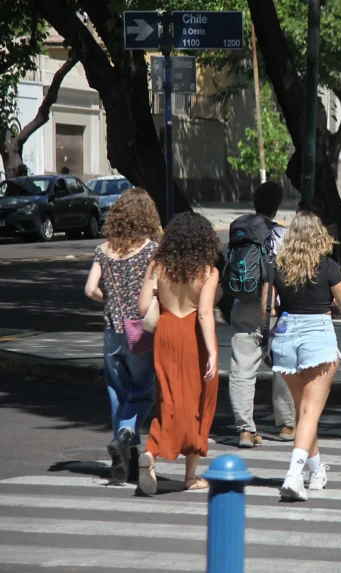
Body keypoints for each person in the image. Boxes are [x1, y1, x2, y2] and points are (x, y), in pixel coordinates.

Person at [262, 210, 341, 501]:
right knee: (309, 413)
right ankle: (293, 475)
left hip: (285, 335)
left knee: (304, 412)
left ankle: (316, 472)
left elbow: (270, 308)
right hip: (318, 335)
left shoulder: (278, 265)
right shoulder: (328, 266)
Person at [136, 212, 222, 494]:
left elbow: (142, 307)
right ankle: (190, 476)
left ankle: (151, 452)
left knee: (168, 398)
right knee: (198, 402)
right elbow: (205, 314)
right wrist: (210, 352)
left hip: (166, 331)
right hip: (193, 337)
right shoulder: (208, 271)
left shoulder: (157, 265)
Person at [84, 188, 160, 483]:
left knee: (118, 391)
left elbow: (90, 289)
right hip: (139, 330)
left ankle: (122, 462)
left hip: (112, 330)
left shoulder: (103, 250)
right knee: (143, 391)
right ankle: (127, 433)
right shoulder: (150, 249)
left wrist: (111, 301)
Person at [228, 182, 296, 448]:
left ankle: (246, 430)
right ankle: (287, 424)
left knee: (242, 368)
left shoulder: (240, 231)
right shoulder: (283, 234)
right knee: (283, 365)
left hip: (244, 303)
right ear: (277, 204)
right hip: (276, 307)